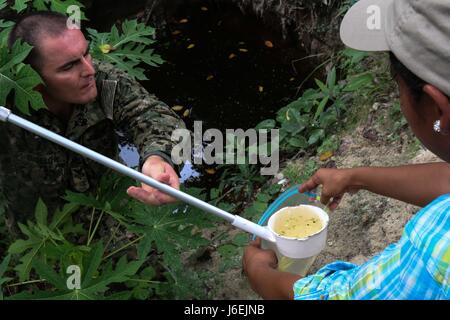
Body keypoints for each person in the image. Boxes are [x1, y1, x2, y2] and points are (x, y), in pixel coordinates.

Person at [243, 0, 450, 300]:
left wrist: (260, 274)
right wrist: (356, 178)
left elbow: (339, 296)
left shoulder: (438, 247)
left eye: (398, 86)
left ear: (436, 106)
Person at [0, 11, 185, 228]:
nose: (88, 69)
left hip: (115, 220)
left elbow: (150, 115)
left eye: (86, 54)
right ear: (33, 79)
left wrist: (158, 159)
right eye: (69, 67)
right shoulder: (6, 107)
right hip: (42, 237)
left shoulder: (101, 80)